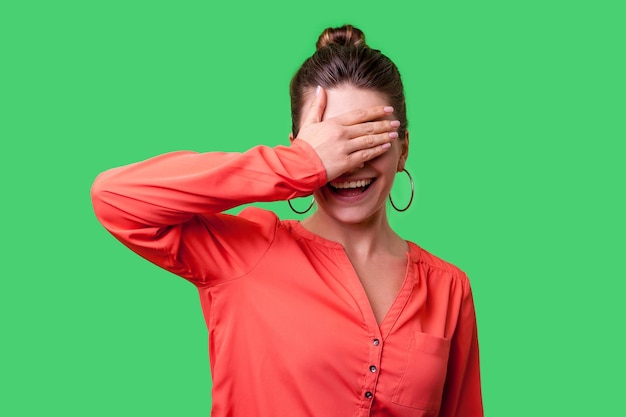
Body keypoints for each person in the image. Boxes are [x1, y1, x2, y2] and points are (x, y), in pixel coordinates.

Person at [92, 24, 483, 417]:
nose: (351, 163)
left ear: (403, 150)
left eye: (368, 138)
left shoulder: (449, 288)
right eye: (334, 143)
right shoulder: (243, 254)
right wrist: (300, 165)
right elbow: (116, 197)